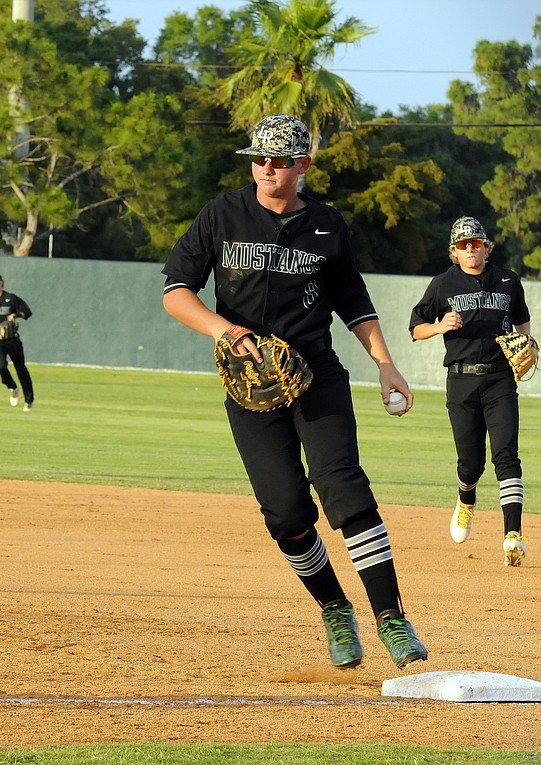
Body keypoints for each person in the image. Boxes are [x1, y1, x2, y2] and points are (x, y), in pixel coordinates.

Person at [161, 114, 428, 670]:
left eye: (279, 160)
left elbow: (352, 301)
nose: (265, 168)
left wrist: (386, 364)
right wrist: (225, 330)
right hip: (251, 387)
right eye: (258, 158)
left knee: (344, 490)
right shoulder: (223, 214)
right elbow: (176, 290)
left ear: (303, 165)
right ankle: (334, 607)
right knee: (284, 513)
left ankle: (391, 618)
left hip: (316, 377)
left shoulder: (327, 227)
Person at [409, 217, 533, 566]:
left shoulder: (509, 281)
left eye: (476, 243)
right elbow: (415, 328)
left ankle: (513, 535)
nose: (470, 249)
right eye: (463, 245)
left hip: (500, 379)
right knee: (471, 463)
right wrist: (438, 326)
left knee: (507, 455)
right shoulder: (442, 284)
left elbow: (522, 318)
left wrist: (526, 339)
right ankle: (466, 500)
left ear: (486, 246)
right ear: (454, 251)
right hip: (461, 381)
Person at [0, 271, 34, 411]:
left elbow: (27, 312)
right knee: (1, 367)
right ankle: (12, 388)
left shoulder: (11, 298)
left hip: (12, 339)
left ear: (2, 282)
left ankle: (29, 401)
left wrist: (15, 315)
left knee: (21, 368)